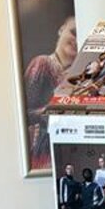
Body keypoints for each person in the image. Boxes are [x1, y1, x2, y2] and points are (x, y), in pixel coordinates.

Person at [23, 16, 77, 170]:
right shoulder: (42, 63)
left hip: (71, 152)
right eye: (73, 32)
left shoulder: (81, 75)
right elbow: (25, 112)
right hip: (44, 154)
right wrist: (54, 112)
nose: (76, 40)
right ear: (61, 30)